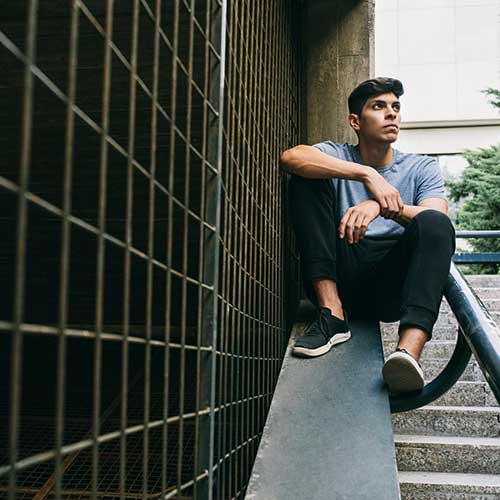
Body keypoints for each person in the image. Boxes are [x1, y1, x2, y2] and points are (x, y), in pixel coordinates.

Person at [280, 77, 455, 394]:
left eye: (396, 107)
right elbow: (291, 158)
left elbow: (437, 218)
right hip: (340, 267)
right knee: (306, 178)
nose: (392, 114)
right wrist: (366, 174)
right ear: (355, 121)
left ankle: (407, 354)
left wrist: (380, 205)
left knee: (435, 224)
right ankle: (331, 315)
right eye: (379, 106)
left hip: (391, 284)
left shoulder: (420, 167)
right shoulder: (337, 154)